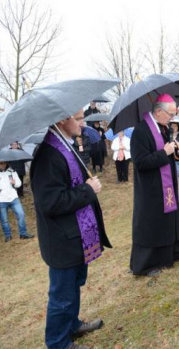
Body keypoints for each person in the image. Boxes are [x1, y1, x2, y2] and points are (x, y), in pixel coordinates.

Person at [30, 108, 111, 349]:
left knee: (74, 285)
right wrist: (88, 190)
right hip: (61, 239)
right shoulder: (47, 154)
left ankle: (72, 326)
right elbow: (50, 202)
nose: (83, 124)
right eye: (78, 119)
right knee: (61, 295)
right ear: (62, 120)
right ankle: (57, 343)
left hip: (76, 234)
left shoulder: (65, 145)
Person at [130, 94, 179, 277]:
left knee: (167, 220)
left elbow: (168, 153)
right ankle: (146, 265)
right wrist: (164, 152)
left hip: (167, 184)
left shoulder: (163, 128)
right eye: (170, 114)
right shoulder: (141, 131)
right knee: (152, 224)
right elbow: (140, 162)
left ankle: (168, 257)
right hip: (151, 187)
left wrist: (178, 153)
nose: (172, 118)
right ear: (159, 111)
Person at [0, 161, 34, 242]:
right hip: (1, 200)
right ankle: (8, 236)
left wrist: (15, 183)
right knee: (4, 220)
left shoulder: (12, 171)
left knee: (21, 215)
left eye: (4, 163)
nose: (3, 165)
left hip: (13, 198)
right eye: (1, 163)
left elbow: (19, 184)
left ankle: (23, 234)